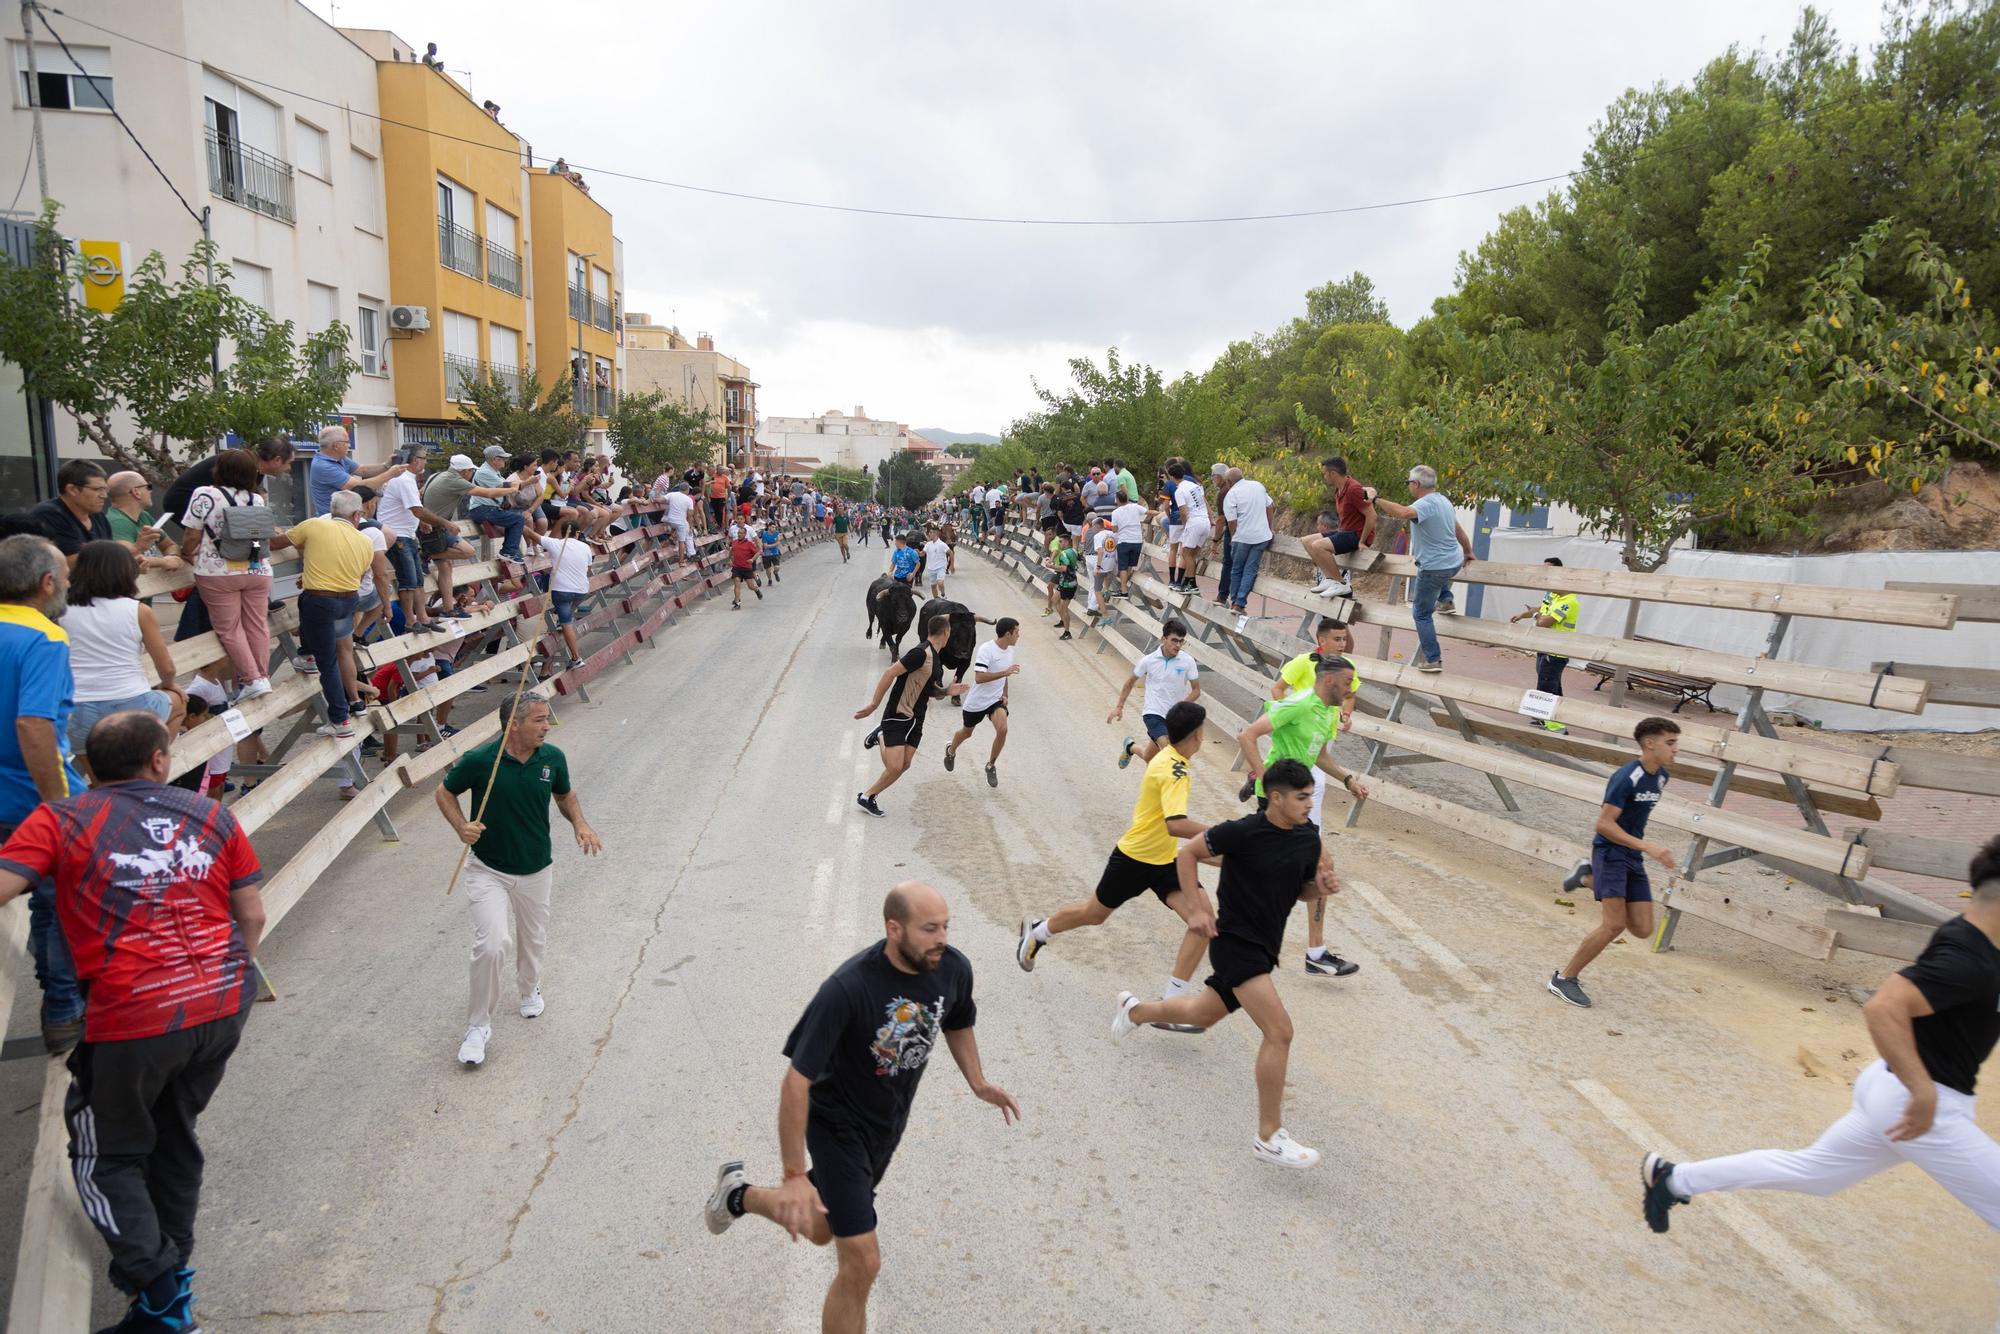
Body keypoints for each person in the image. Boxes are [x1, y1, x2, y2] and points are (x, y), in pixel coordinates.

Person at [0, 710, 265, 1332]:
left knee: (104, 1154)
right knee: (173, 1135)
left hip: (135, 1013)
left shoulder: (62, 819)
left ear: (88, 768)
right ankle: (169, 1287)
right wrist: (225, 978)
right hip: (223, 1002)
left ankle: (162, 1297)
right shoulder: (210, 814)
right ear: (159, 760)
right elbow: (251, 914)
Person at [1644, 833, 2000, 1235]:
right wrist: (1921, 1091)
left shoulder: (1978, 940)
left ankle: (1674, 1179)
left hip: (1891, 1087)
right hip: (1920, 1101)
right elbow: (1883, 1008)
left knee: (1815, 1173)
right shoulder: (1967, 959)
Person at [705, 882, 1017, 1334]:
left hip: (884, 1127)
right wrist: (793, 1175)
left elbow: (958, 1019)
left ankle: (737, 1195)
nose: (942, 939)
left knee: (820, 1228)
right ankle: (755, 1194)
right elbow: (795, 1083)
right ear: (894, 929)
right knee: (862, 1262)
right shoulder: (848, 989)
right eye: (929, 929)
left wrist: (978, 1082)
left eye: (946, 926)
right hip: (836, 1124)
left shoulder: (951, 968)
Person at [1110, 758, 1336, 1169]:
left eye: (1311, 797)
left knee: (1201, 1013)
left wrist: (1316, 886)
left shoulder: (1307, 839)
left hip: (1264, 948)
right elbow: (1187, 855)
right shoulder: (1242, 832)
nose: (1309, 804)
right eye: (1302, 797)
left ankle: (1136, 1011)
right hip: (1234, 944)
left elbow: (1300, 890)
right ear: (1277, 798)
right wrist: (1197, 909)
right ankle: (1268, 1136)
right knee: (1279, 1031)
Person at [436, 692, 602, 1067]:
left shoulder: (552, 758)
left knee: (533, 939)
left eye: (547, 719)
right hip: (488, 868)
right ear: (514, 725)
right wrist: (461, 827)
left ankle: (528, 988)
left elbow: (565, 796)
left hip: (536, 867)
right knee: (492, 944)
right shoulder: (481, 761)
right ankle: (478, 1026)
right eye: (539, 720)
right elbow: (444, 792)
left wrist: (580, 823)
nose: (547, 726)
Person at [1017, 700, 1215, 1001]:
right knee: (1094, 914)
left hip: (1165, 860)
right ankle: (1038, 932)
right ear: (1197, 735)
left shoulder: (1169, 757)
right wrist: (1221, 834)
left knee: (1203, 921)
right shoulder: (1175, 771)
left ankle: (1173, 1002)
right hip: (1134, 859)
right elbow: (1175, 824)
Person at [0, 534, 87, 1051]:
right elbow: (34, 724)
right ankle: (63, 1010)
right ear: (47, 583)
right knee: (60, 908)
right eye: (67, 579)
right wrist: (57, 807)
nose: (69, 587)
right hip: (30, 800)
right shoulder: (44, 637)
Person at [1236, 652, 1369, 978]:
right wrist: (1264, 779)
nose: (1351, 689)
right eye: (1348, 682)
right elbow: (1247, 735)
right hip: (1279, 802)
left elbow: (1319, 756)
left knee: (1282, 864)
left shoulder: (1328, 711)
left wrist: (1348, 780)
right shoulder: (1298, 704)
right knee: (1317, 865)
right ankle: (1313, 953)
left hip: (1296, 801)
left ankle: (1314, 952)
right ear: (1329, 680)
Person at [1548, 717, 1680, 1009]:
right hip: (1610, 852)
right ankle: (1563, 978)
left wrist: (1640, 847)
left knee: (1642, 929)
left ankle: (1588, 877)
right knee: (1614, 925)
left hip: (1631, 854)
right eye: (1670, 743)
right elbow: (1604, 824)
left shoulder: (1661, 777)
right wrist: (1649, 846)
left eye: (1676, 743)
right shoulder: (1626, 777)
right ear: (1650, 744)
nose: (1675, 749)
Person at [62, 542, 186, 773]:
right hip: (132, 704)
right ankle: (149, 768)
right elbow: (167, 668)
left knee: (99, 778)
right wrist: (169, 685)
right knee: (178, 704)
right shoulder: (139, 611)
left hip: (77, 708)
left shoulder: (60, 611)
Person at [268, 491, 377, 741]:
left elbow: (275, 544)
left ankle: (340, 719)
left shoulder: (314, 525)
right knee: (334, 651)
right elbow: (360, 576)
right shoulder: (364, 540)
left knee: (327, 662)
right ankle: (307, 655)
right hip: (348, 600)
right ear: (357, 515)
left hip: (319, 601)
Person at [178, 448, 275, 699]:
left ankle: (251, 679)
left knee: (230, 629)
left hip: (217, 571)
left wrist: (185, 553)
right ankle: (262, 677)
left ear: (219, 470)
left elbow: (191, 534)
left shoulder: (205, 494)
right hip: (257, 569)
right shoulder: (256, 499)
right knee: (257, 624)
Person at [854, 614, 968, 817]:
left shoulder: (936, 658)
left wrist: (947, 691)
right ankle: (868, 792)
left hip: (917, 717)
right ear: (945, 632)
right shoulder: (920, 653)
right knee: (894, 766)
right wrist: (874, 704)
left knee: (904, 765)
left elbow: (928, 689)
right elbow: (890, 672)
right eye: (950, 632)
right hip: (899, 712)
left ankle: (868, 796)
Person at [1367, 464, 1472, 672]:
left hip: (1434, 568)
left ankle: (1433, 659)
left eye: (1408, 483)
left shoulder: (1423, 505)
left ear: (1415, 484)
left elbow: (1403, 512)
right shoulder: (1443, 501)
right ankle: (1446, 599)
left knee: (1421, 614)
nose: (1408, 486)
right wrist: (1468, 551)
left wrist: (1375, 499)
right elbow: (1458, 529)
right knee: (1440, 577)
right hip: (1454, 562)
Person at [159, 435, 294, 539]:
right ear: (277, 460)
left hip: (193, 501)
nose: (289, 468)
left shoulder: (256, 471)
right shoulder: (245, 466)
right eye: (289, 463)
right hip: (182, 501)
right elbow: (241, 508)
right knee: (213, 541)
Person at [424, 454, 507, 615]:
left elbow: (421, 494)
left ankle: (448, 608)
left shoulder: (438, 476)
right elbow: (487, 493)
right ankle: (427, 554)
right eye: (471, 471)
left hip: (437, 526)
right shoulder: (455, 480)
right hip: (435, 528)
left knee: (446, 567)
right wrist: (512, 489)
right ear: (464, 471)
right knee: (468, 551)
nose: (471, 474)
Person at [1111, 620, 1201, 767]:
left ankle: (1130, 747)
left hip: (1174, 717)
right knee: (1169, 751)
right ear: (1163, 639)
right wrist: (1119, 707)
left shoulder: (1188, 661)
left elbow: (1196, 690)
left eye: (1181, 641)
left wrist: (1181, 707)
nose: (1178, 645)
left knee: (1148, 757)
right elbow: (1129, 682)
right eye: (1174, 640)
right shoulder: (1148, 660)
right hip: (1153, 712)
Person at [942, 618, 1018, 788]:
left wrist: (1005, 694)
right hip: (977, 702)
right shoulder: (986, 649)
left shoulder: (1010, 651)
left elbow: (1005, 676)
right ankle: (951, 750)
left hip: (995, 700)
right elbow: (979, 677)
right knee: (966, 733)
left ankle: (991, 765)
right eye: (1016, 632)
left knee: (1003, 729)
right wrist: (1004, 672)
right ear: (1008, 634)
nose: (1018, 636)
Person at [1509, 557, 1578, 733]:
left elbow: (1543, 622)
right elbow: (1541, 610)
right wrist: (1523, 614)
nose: (1544, 575)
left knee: (1547, 687)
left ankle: (1555, 726)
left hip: (1556, 651)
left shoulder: (1569, 601)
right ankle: (1548, 720)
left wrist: (1535, 616)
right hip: (1544, 647)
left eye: (1548, 571)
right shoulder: (1552, 594)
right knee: (1552, 685)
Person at [32, 459, 139, 569]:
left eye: (105, 489)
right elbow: (69, 563)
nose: (104, 495)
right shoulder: (48, 515)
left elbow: (104, 559)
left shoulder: (98, 516)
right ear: (72, 489)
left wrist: (129, 565)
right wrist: (133, 550)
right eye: (97, 489)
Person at [1303, 456, 1375, 599]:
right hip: (1345, 532)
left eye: (1325, 474)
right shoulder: (1339, 489)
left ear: (1333, 474)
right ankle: (1330, 579)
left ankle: (1341, 583)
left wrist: (1362, 541)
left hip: (1356, 535)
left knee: (1318, 546)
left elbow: (1372, 516)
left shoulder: (1353, 489)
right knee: (1306, 541)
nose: (1324, 477)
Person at [306, 425, 404, 517]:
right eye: (347, 442)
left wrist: (386, 465)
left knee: (382, 528)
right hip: (333, 520)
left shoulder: (339, 458)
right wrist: (390, 474)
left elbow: (362, 470)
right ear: (336, 445)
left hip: (347, 516)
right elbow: (359, 487)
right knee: (381, 529)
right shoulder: (323, 466)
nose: (349, 445)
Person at [1218, 466, 1274, 616]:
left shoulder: (1231, 494)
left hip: (1242, 537)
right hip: (1261, 536)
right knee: (1250, 570)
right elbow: (1270, 507)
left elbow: (1231, 521)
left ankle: (1235, 602)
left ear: (1228, 482)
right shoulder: (1258, 485)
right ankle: (1240, 603)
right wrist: (1269, 528)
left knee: (1236, 570)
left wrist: (1233, 536)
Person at [103, 472, 182, 574]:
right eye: (148, 487)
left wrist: (173, 556)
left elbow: (169, 545)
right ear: (136, 492)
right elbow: (129, 559)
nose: (150, 492)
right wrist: (165, 562)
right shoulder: (116, 522)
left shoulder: (144, 515)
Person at [539, 519, 596, 649]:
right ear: (577, 533)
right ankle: (563, 618)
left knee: (566, 623)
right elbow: (588, 570)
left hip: (561, 591)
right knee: (567, 613)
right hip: (581, 591)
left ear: (562, 532)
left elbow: (532, 534)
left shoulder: (555, 543)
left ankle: (576, 656)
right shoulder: (586, 547)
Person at [467, 445, 528, 561]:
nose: (505, 461)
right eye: (503, 458)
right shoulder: (484, 472)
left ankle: (513, 552)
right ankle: (508, 552)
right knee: (518, 519)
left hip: (487, 509)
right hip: (482, 509)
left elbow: (511, 485)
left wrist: (516, 484)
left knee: (518, 518)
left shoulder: (493, 471)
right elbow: (506, 485)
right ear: (495, 459)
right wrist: (522, 483)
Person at [1108, 491, 1146, 599]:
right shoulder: (1135, 507)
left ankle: (1124, 591)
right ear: (1127, 499)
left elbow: (1114, 529)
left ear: (1117, 500)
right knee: (1130, 566)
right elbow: (1148, 512)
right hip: (1137, 541)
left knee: (1123, 567)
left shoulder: (1115, 512)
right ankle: (1123, 588)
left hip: (1124, 541)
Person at [1048, 531, 1081, 641]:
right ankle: (1063, 621)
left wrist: (1051, 566)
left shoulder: (1064, 554)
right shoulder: (1073, 551)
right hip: (1065, 582)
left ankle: (1067, 632)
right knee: (1054, 599)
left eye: (1061, 541)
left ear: (1067, 542)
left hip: (1068, 584)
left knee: (1064, 609)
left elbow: (1064, 568)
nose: (1059, 543)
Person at [662, 483, 699, 560]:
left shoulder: (671, 494)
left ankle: (691, 554)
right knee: (688, 533)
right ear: (687, 489)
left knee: (687, 532)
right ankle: (689, 555)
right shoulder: (688, 499)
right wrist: (691, 527)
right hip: (676, 522)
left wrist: (652, 500)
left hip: (669, 520)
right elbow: (690, 516)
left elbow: (660, 499)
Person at [729, 527, 761, 610]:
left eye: (741, 533)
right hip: (736, 567)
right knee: (737, 584)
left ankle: (756, 590)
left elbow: (758, 552)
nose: (739, 534)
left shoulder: (749, 544)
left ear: (745, 534)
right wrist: (730, 559)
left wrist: (752, 559)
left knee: (750, 586)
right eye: (738, 533)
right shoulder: (734, 542)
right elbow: (731, 552)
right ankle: (737, 603)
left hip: (746, 568)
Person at [923, 528, 951, 599]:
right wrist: (917, 552)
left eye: (930, 532)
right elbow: (922, 554)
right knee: (933, 586)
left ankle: (943, 594)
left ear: (935, 534)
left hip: (941, 567)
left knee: (940, 582)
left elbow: (951, 553)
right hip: (931, 568)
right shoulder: (928, 544)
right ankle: (936, 599)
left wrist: (951, 565)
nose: (929, 534)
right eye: (929, 532)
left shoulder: (942, 544)